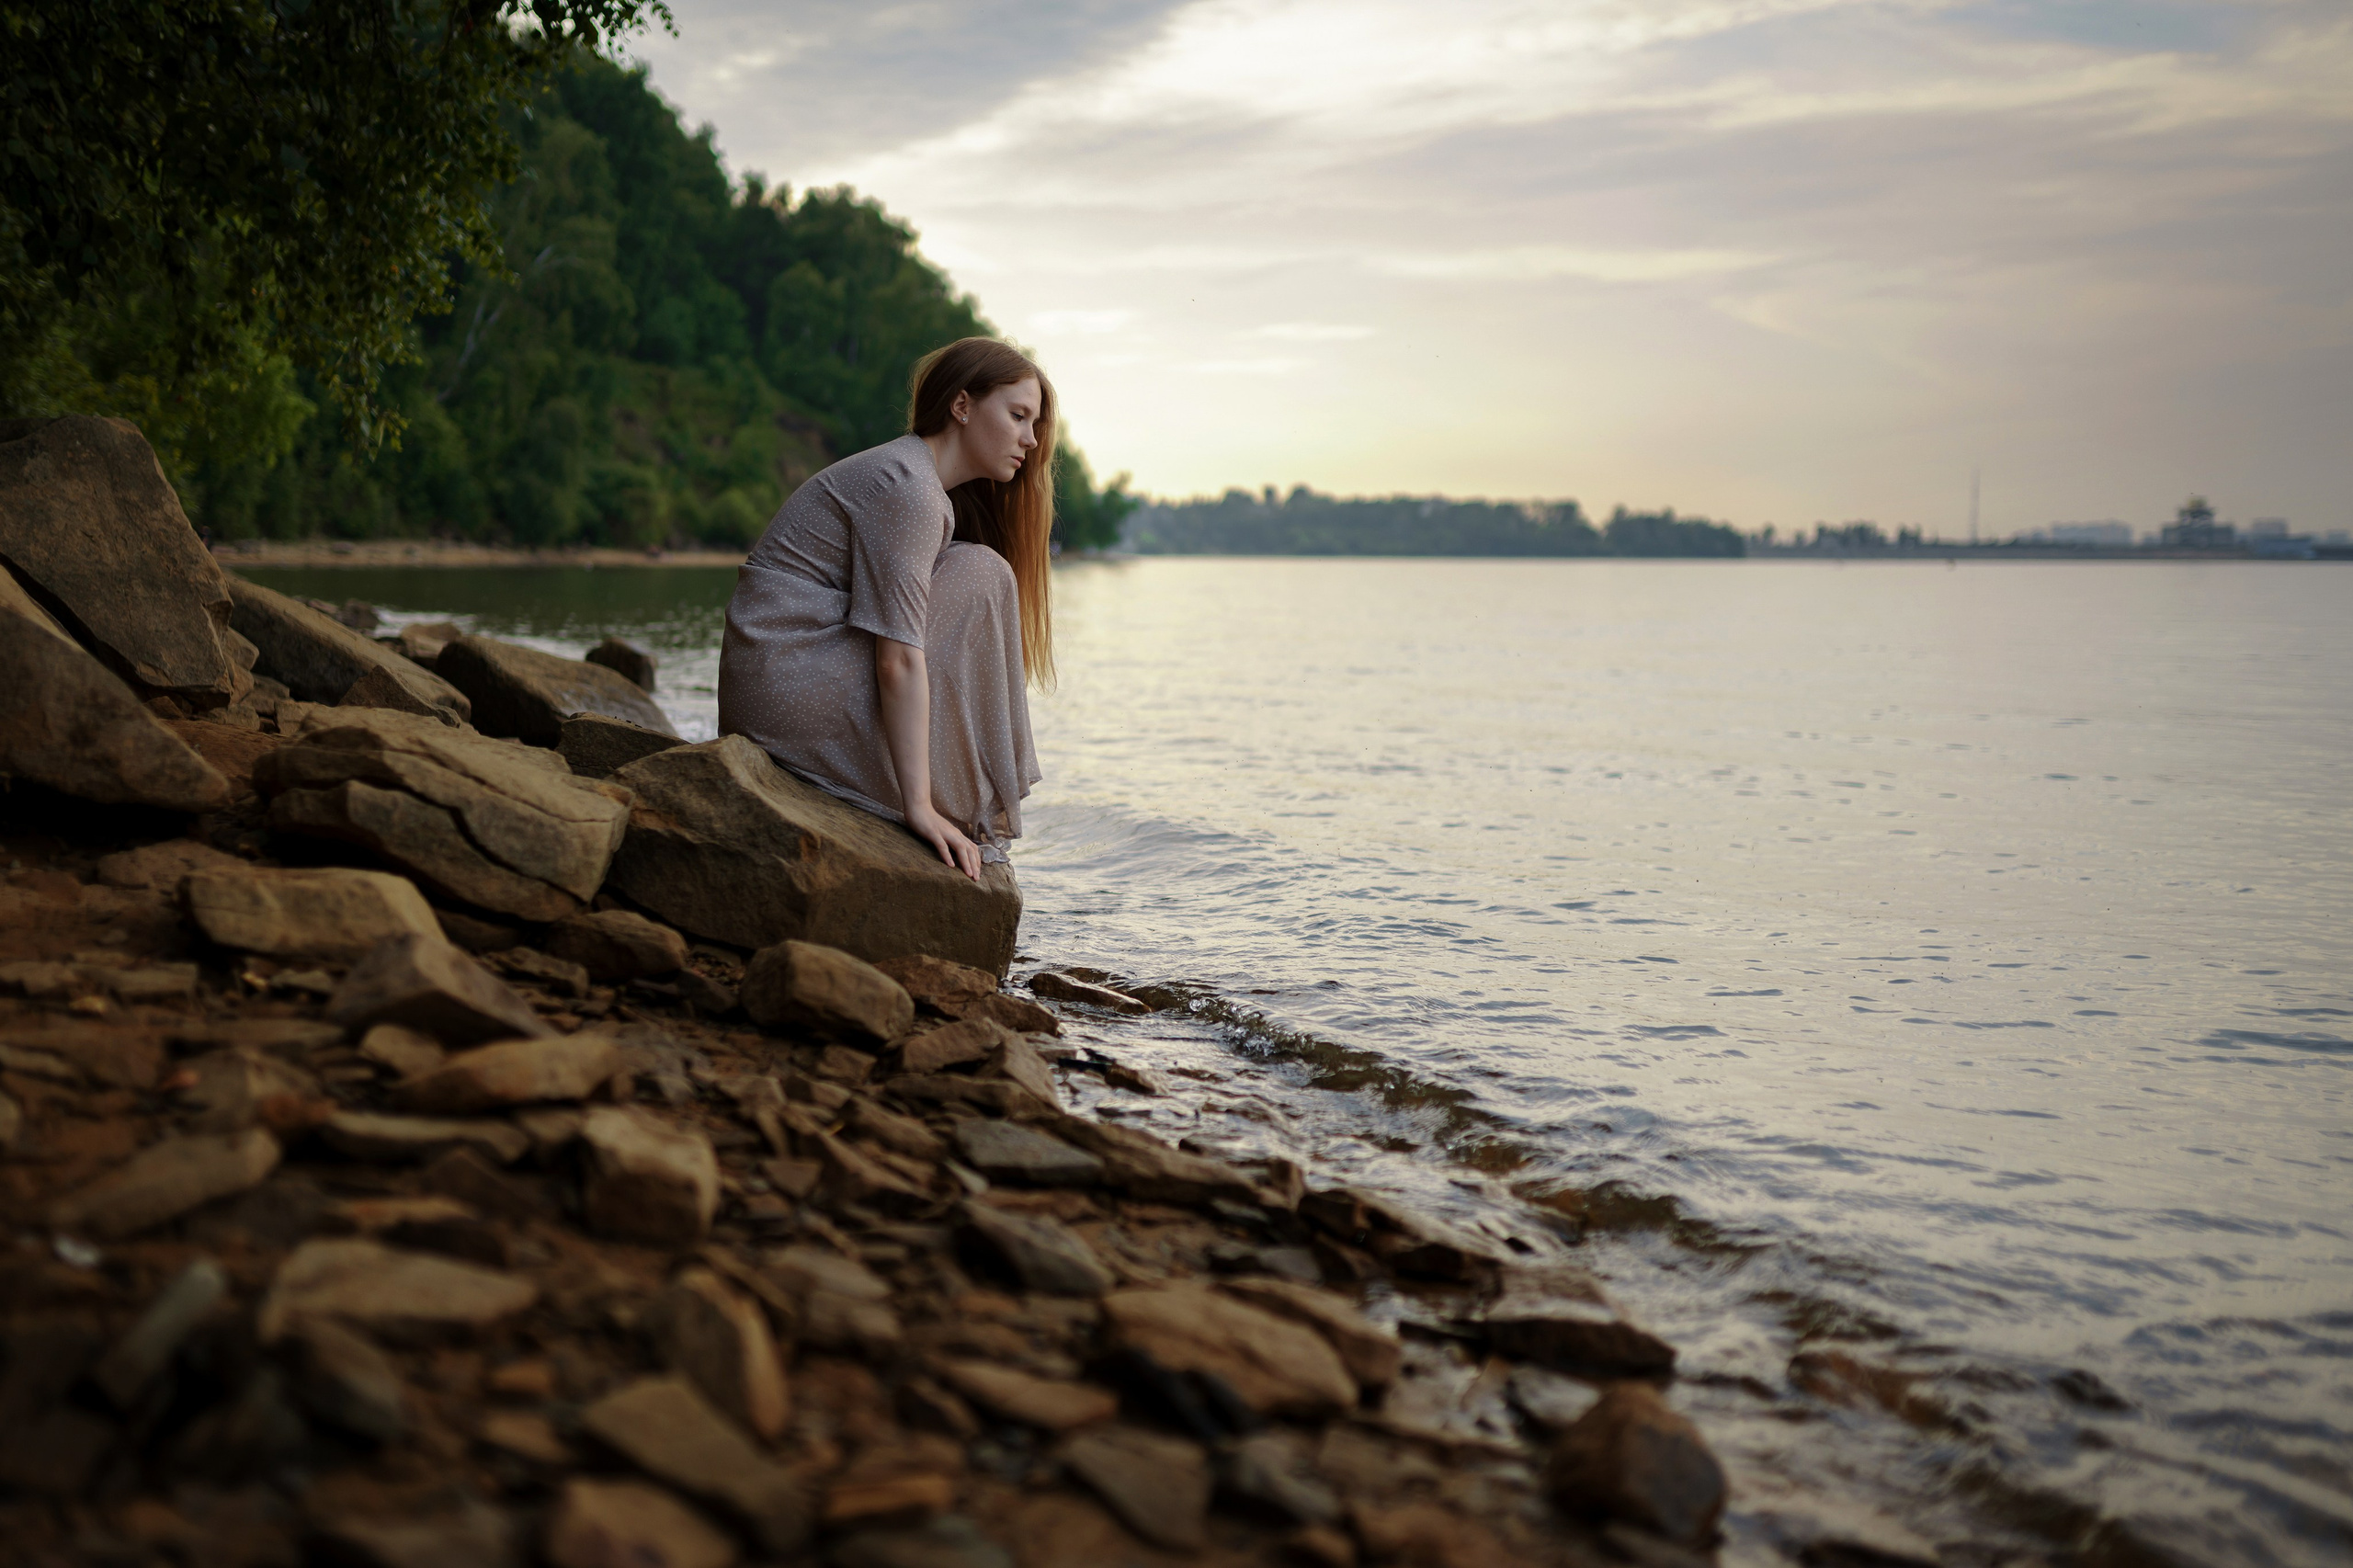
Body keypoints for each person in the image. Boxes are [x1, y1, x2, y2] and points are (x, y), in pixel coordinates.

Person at [717, 337, 1052, 881]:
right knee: (983, 572)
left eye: (1034, 423)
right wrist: (918, 809)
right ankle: (930, 799)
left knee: (974, 564)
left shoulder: (913, 481)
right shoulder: (910, 489)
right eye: (1018, 416)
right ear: (961, 406)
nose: (1031, 440)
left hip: (777, 682)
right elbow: (897, 660)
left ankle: (934, 793)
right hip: (784, 690)